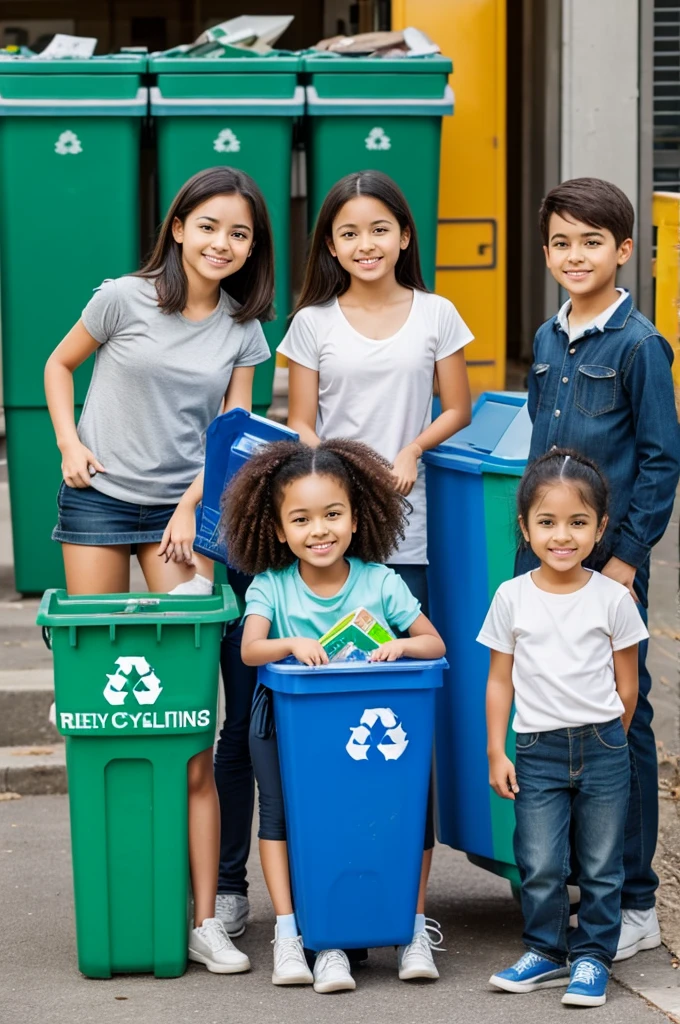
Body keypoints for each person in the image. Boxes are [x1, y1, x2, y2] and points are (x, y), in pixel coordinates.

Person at [44, 165, 276, 974]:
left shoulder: (245, 329)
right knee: (103, 696)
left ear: (253, 248)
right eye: (208, 225)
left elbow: (232, 431)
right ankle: (124, 888)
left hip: (183, 521)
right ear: (178, 226)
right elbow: (57, 366)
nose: (222, 243)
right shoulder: (124, 297)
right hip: (99, 506)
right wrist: (71, 445)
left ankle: (204, 916)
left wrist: (190, 508)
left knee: (185, 722)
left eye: (239, 232)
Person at [279, 170, 472, 916]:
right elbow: (301, 426)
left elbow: (456, 407)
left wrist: (413, 448)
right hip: (329, 542)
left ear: (405, 236)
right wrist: (334, 493)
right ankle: (336, 890)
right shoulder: (313, 323)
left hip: (405, 536)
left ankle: (409, 909)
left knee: (398, 716)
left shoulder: (436, 313)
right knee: (331, 717)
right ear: (330, 242)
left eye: (380, 229)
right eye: (349, 232)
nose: (367, 244)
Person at [516, 177, 680, 961]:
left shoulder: (640, 345)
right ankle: (574, 886)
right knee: (553, 710)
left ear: (623, 252)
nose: (574, 256)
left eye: (592, 241)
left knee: (622, 718)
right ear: (545, 253)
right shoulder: (548, 338)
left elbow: (660, 461)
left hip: (607, 569)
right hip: (541, 565)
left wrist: (624, 558)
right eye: (560, 242)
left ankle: (636, 900)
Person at [220, 438, 446, 993]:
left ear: (354, 518)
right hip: (285, 725)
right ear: (277, 529)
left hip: (371, 722)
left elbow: (435, 644)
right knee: (284, 817)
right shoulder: (271, 586)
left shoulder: (380, 582)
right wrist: (290, 642)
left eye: (332, 515)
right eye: (301, 519)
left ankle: (411, 928)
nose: (318, 530)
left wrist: (400, 647)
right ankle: (296, 934)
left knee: (409, 811)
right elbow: (251, 650)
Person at [481, 449, 648, 1007]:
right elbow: (499, 681)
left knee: (602, 864)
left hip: (602, 744)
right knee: (540, 860)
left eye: (578, 523)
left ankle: (593, 957)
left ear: (601, 528)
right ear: (525, 528)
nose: (562, 536)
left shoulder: (614, 599)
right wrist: (496, 751)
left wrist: (611, 737)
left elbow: (629, 686)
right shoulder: (511, 597)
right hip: (536, 749)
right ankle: (546, 951)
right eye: (547, 522)